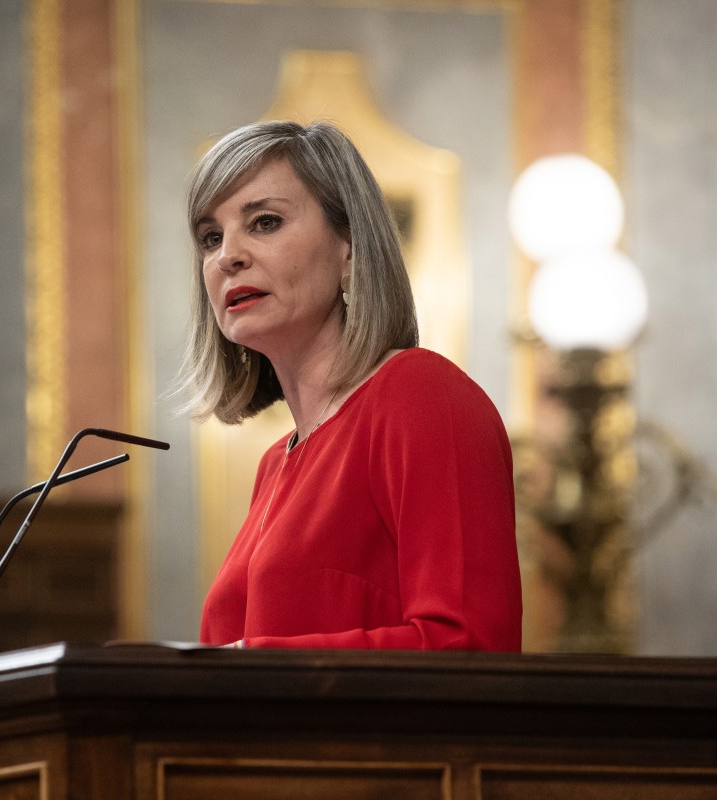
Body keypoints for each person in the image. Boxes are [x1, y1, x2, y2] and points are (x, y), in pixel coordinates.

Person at [178, 120, 522, 650]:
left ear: (351, 247)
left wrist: (252, 665)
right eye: (210, 237)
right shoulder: (276, 462)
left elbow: (470, 645)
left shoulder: (422, 397)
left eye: (264, 222)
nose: (228, 255)